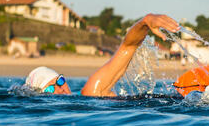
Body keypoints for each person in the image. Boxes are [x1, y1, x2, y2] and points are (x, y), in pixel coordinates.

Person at [23, 13, 180, 96]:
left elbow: (127, 46)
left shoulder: (91, 91)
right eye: (50, 90)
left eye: (59, 81)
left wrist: (145, 22)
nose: (60, 89)